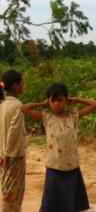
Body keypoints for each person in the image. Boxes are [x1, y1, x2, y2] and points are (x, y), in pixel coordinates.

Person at [20, 82, 96, 212]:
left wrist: (77, 99)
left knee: (69, 204)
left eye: (61, 100)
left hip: (71, 168)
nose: (57, 103)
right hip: (54, 167)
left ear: (66, 101)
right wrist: (42, 104)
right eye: (53, 100)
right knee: (51, 204)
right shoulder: (47, 117)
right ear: (49, 101)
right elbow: (23, 108)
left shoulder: (74, 117)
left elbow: (95, 104)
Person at [0, 70, 25, 212]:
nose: (23, 85)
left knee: (6, 190)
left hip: (3, 153)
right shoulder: (17, 105)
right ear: (16, 86)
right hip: (13, 157)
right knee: (13, 195)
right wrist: (7, 154)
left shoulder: (2, 103)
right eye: (22, 83)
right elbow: (13, 132)